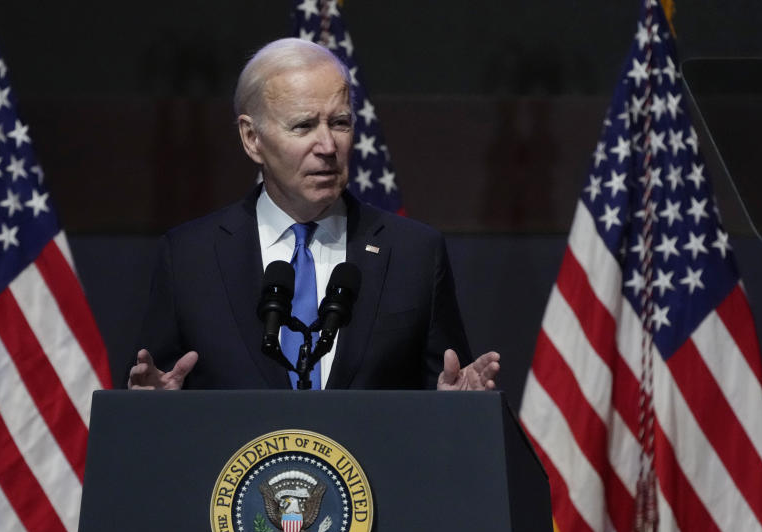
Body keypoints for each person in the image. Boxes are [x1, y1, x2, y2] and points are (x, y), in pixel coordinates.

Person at [129, 38, 499, 391]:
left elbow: (445, 391)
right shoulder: (189, 257)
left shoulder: (414, 253)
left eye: (340, 123)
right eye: (304, 126)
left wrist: (454, 407)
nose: (327, 146)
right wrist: (152, 411)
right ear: (251, 138)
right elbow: (158, 396)